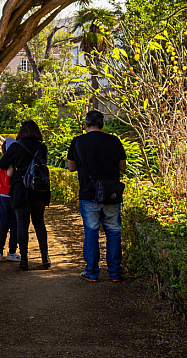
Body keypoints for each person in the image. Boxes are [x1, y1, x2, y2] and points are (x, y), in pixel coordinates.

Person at [67, 109, 127, 283]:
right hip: (111, 194)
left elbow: (71, 167)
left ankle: (92, 273)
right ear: (103, 124)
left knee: (92, 233)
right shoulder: (114, 141)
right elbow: (122, 167)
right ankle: (115, 273)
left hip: (88, 193)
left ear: (85, 124)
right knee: (114, 233)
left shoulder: (78, 142)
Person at [0, 120, 50, 271]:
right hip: (39, 189)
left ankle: (24, 260)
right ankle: (45, 258)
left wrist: (15, 162)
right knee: (39, 223)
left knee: (22, 223)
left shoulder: (15, 147)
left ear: (22, 132)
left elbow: (2, 165)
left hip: (21, 189)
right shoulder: (42, 147)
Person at [0, 137, 20, 262]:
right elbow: (7, 180)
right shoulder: (11, 164)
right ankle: (12, 252)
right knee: (14, 224)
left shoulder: (1, 162)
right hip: (10, 196)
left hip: (1, 195)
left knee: (3, 223)